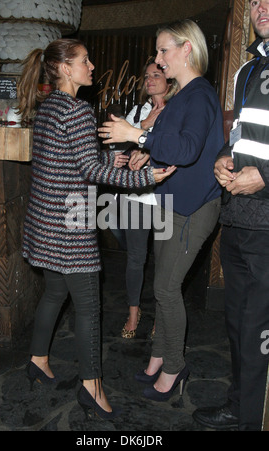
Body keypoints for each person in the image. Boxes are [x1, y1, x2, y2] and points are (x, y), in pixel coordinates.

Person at [17, 38, 175, 420]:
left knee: (54, 293)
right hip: (70, 227)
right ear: (66, 69)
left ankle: (37, 359)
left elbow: (67, 157)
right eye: (85, 61)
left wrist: (109, 156)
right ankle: (92, 387)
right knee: (89, 306)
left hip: (45, 222)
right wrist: (144, 178)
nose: (91, 67)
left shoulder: (50, 106)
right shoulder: (78, 110)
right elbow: (88, 170)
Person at [98, 19, 224, 401]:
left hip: (193, 208)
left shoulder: (199, 94)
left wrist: (136, 135)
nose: (157, 58)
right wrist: (144, 154)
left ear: (187, 49)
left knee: (167, 289)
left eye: (163, 50)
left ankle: (174, 368)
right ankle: (157, 358)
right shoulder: (183, 95)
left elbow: (186, 150)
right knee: (161, 285)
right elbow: (168, 144)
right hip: (172, 205)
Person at [193, 0, 269, 431]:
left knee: (260, 336)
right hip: (240, 219)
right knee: (239, 328)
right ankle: (240, 406)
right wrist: (224, 157)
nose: (260, 6)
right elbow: (241, 134)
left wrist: (266, 177)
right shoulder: (247, 70)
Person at [114, 58, 172, 339]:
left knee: (164, 262)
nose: (150, 79)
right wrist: (144, 124)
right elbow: (116, 145)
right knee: (135, 259)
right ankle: (134, 313)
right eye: (146, 75)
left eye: (156, 74)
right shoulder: (139, 111)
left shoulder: (177, 109)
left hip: (165, 197)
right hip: (135, 195)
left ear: (169, 78)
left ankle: (161, 318)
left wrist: (149, 147)